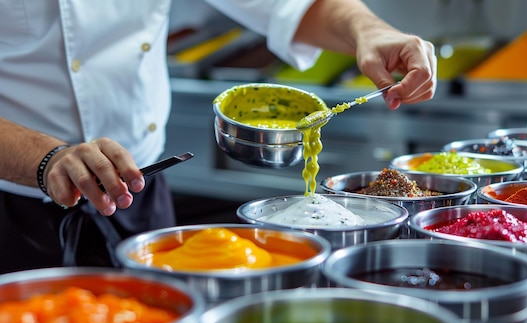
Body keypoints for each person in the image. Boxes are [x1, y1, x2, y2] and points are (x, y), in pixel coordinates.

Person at [0, 0, 436, 273]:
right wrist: (47, 157)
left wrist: (369, 30)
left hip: (140, 190)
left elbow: (295, 6)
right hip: (11, 207)